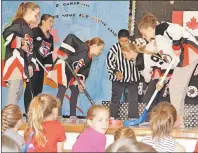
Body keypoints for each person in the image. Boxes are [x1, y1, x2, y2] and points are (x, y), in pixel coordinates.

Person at [48, 34, 104, 119]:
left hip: (71, 72)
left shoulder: (89, 60)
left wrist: (81, 82)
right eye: (100, 49)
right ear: (95, 46)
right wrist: (63, 52)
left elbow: (83, 73)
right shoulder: (84, 47)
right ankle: (57, 115)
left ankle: (73, 116)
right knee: (62, 89)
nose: (101, 52)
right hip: (63, 65)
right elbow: (71, 37)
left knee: (75, 90)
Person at [2, 2, 40, 106]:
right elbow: (6, 33)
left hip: (22, 65)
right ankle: (8, 118)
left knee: (18, 92)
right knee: (14, 91)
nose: (38, 16)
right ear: (29, 11)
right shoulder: (19, 23)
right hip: (15, 63)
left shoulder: (29, 29)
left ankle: (9, 115)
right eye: (37, 14)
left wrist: (31, 65)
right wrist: (21, 42)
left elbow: (31, 51)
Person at [106, 29, 140, 120]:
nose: (124, 43)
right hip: (118, 77)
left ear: (129, 39)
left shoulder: (134, 46)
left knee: (133, 98)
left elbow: (140, 61)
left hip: (133, 77)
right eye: (121, 41)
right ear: (118, 39)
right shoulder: (114, 49)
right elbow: (109, 63)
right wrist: (116, 72)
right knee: (115, 98)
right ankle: (112, 117)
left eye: (126, 41)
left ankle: (133, 119)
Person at [24, 14, 54, 113]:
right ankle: (28, 113)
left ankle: (36, 113)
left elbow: (48, 55)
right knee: (30, 89)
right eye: (50, 21)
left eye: (52, 22)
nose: (52, 24)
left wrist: (50, 69)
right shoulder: (34, 32)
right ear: (43, 21)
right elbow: (28, 48)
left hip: (41, 68)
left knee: (38, 92)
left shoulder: (50, 37)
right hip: (32, 66)